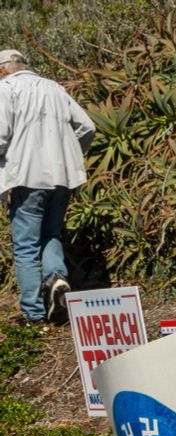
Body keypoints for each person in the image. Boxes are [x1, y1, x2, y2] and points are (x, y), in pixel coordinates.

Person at [0, 49, 95, 325]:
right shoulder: (55, 88)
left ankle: (33, 314)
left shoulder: (5, 89)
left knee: (26, 246)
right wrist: (71, 155)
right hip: (62, 176)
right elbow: (87, 127)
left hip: (26, 176)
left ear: (4, 70)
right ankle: (56, 278)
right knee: (50, 234)